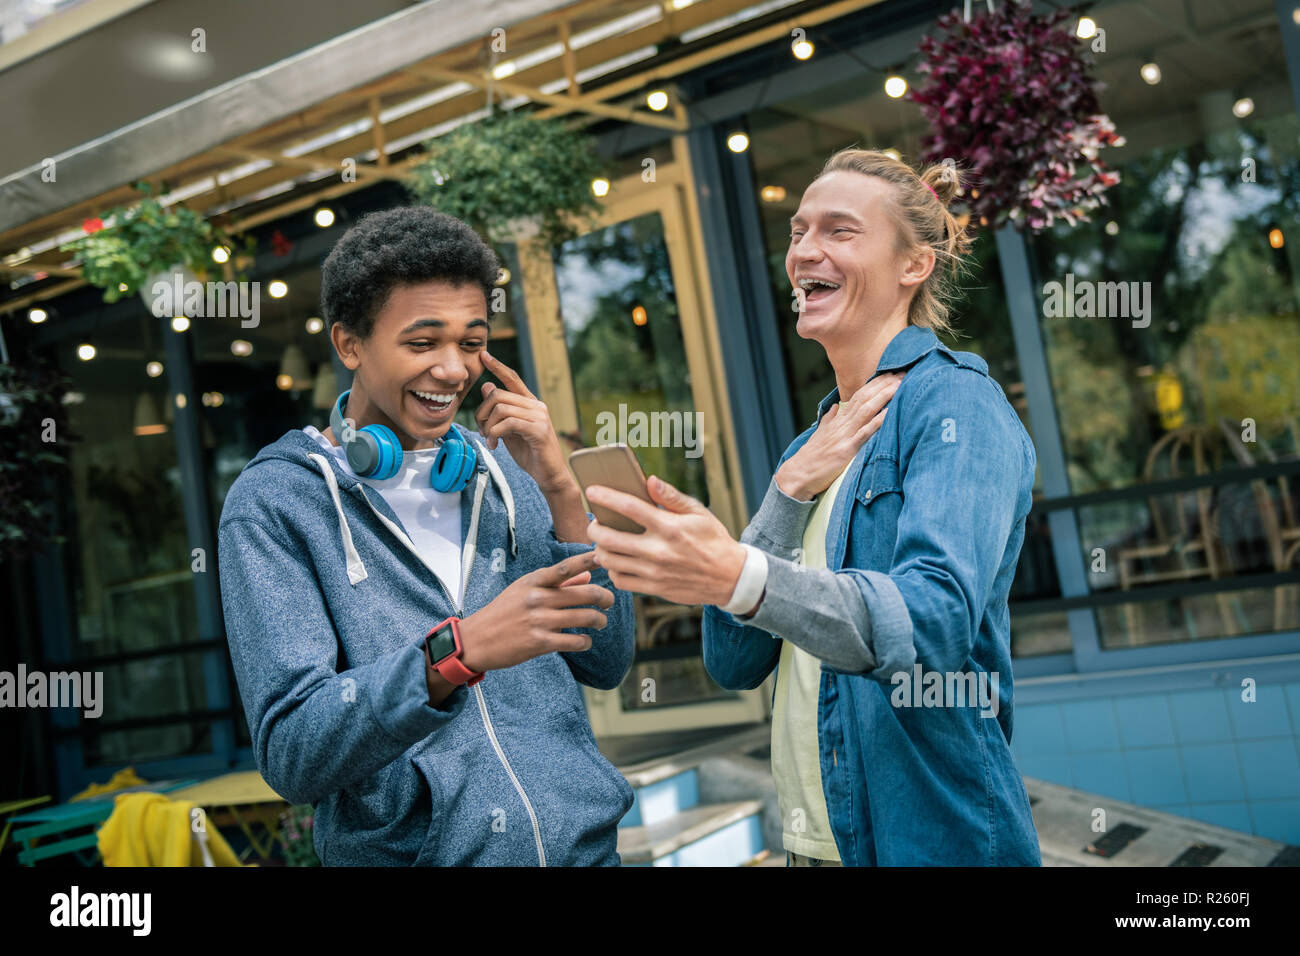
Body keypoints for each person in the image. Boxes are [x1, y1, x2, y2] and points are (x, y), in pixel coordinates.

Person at [585, 149, 1041, 866]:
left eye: (839, 231)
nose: (804, 252)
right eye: (798, 231)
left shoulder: (955, 404)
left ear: (913, 265)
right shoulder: (811, 446)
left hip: (930, 844)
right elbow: (734, 662)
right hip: (815, 847)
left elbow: (934, 624)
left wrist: (739, 573)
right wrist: (785, 493)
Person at [217, 206, 635, 866]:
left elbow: (607, 661)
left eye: (472, 343)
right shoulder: (277, 503)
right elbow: (294, 751)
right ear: (349, 345)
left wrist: (558, 487)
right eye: (422, 343)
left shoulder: (502, 466)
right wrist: (456, 654)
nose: (453, 370)